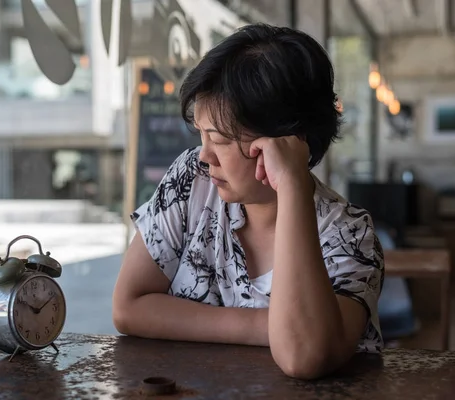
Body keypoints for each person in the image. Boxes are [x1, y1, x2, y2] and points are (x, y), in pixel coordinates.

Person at [112, 23, 384, 380]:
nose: (206, 156)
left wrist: (292, 187)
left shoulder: (347, 234)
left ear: (286, 142)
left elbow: (303, 356)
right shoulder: (191, 181)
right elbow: (128, 307)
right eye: (202, 136)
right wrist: (266, 327)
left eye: (221, 140)